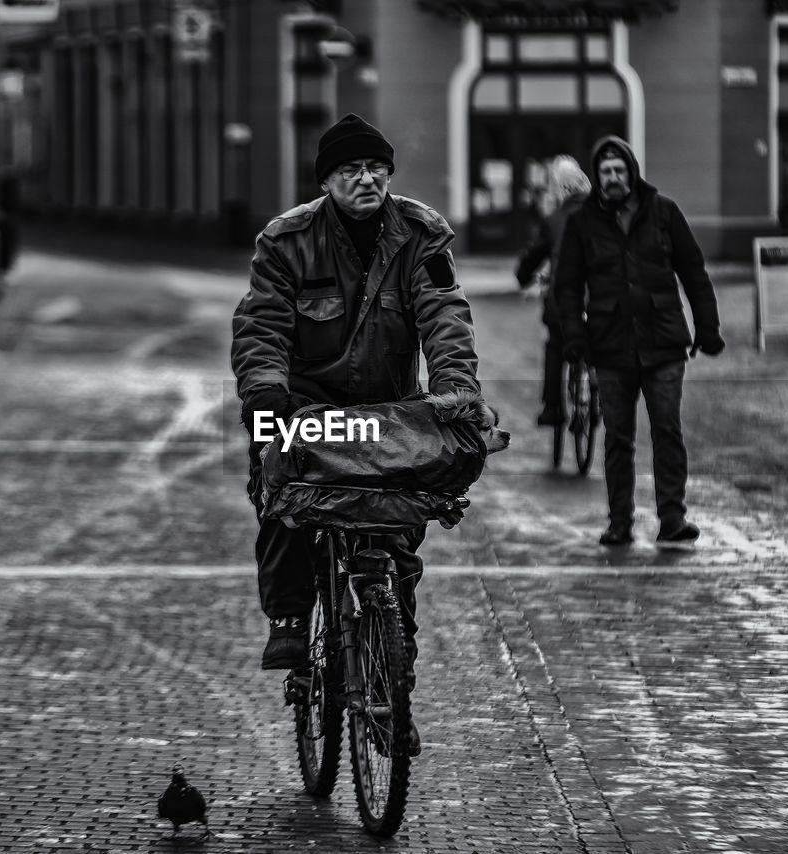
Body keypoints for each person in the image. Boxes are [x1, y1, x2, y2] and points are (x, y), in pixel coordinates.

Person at [231, 114, 481, 749]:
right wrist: (265, 394)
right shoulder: (285, 241)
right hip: (304, 405)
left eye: (377, 169)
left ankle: (392, 690)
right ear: (327, 181)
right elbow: (262, 326)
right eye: (351, 170)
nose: (367, 179)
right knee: (280, 486)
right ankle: (289, 616)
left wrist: (455, 388)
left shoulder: (422, 235)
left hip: (386, 412)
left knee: (397, 549)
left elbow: (444, 314)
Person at [553, 136, 724, 548]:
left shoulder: (664, 212)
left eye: (619, 170)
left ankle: (672, 517)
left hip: (664, 342)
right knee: (618, 438)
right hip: (609, 346)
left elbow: (694, 272)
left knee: (667, 430)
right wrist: (575, 335)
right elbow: (568, 286)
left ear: (631, 172)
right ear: (597, 177)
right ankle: (619, 521)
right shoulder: (583, 222)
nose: (612, 178)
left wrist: (708, 327)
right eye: (605, 172)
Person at [514, 155, 592, 427]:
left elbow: (533, 255)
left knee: (555, 345)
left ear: (559, 188)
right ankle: (598, 394)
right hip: (599, 298)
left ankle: (553, 407)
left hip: (562, 299)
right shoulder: (603, 215)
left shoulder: (556, 218)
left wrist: (523, 278)